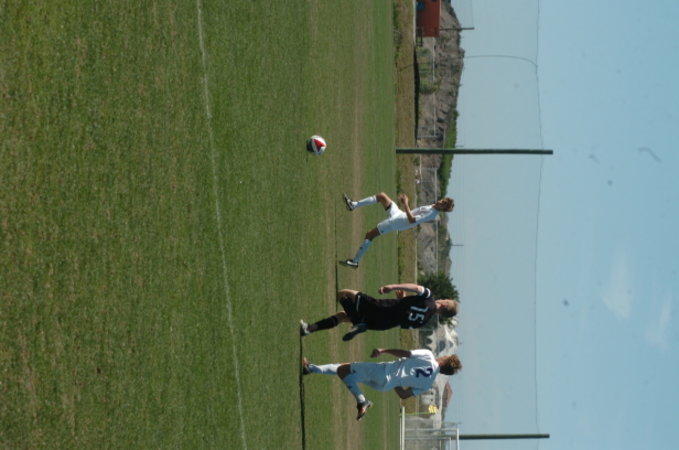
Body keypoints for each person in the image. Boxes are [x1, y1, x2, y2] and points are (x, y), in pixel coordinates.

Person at [302, 348, 462, 421]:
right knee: (346, 369)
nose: (443, 356)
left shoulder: (428, 355)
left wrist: (384, 351)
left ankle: (362, 400)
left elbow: (406, 353)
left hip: (383, 371)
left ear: (445, 361)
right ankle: (311, 368)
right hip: (386, 386)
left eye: (446, 356)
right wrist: (396, 381)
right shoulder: (428, 384)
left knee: (344, 370)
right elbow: (403, 395)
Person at [300, 283, 458, 341]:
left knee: (344, 293)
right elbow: (403, 320)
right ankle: (308, 329)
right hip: (383, 324)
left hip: (382, 308)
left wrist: (393, 287)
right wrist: (403, 300)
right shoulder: (423, 321)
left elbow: (416, 288)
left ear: (444, 303)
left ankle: (358, 321)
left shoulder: (429, 296)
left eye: (445, 299)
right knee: (343, 316)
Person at [340, 192, 454, 269]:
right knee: (382, 196)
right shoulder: (434, 206)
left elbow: (412, 220)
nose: (440, 202)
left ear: (443, 209)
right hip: (400, 215)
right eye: (443, 200)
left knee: (370, 235)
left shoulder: (432, 213)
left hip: (398, 222)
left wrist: (406, 204)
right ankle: (353, 205)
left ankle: (355, 262)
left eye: (443, 204)